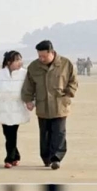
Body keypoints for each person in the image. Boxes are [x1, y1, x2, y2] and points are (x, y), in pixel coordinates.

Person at [21, 40, 78, 170]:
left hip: (60, 105)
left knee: (59, 133)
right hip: (42, 105)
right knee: (45, 134)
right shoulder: (34, 67)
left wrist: (69, 93)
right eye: (39, 56)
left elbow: (73, 81)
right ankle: (46, 158)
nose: (41, 59)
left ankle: (56, 158)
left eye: (44, 56)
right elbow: (28, 86)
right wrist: (28, 100)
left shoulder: (65, 64)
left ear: (51, 52)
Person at [0, 51, 30, 168]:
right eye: (16, 60)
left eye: (20, 59)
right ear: (9, 62)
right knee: (7, 133)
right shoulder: (0, 74)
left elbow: (29, 90)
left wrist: (30, 102)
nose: (19, 62)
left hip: (17, 108)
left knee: (11, 133)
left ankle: (9, 159)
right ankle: (16, 155)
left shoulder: (25, 73)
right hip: (3, 108)